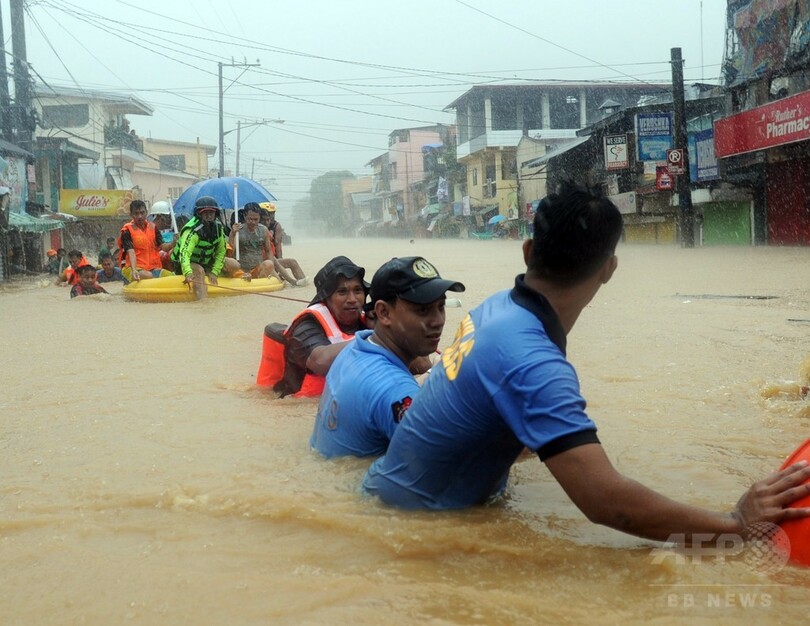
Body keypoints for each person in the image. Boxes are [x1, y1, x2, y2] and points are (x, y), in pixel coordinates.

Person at [363, 182, 810, 544]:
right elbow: (605, 504)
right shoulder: (530, 358)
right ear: (610, 268)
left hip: (385, 499)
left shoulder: (497, 309)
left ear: (527, 252)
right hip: (414, 529)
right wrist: (735, 523)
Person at [310, 256, 465, 459]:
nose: (438, 321)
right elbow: (453, 467)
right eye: (423, 310)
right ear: (383, 312)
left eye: (441, 307)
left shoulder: (355, 348)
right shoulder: (395, 391)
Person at [256, 255, 368, 397]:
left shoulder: (371, 320)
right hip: (296, 407)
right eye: (342, 292)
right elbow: (320, 362)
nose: (352, 299)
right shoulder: (307, 326)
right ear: (326, 297)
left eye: (358, 291)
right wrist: (375, 339)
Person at [170, 196, 240, 300]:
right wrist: (188, 272)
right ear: (199, 214)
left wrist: (214, 272)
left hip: (205, 261)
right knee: (199, 271)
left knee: (235, 265)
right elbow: (184, 254)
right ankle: (203, 303)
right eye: (205, 213)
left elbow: (221, 252)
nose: (209, 216)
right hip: (184, 264)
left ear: (215, 214)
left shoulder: (218, 229)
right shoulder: (192, 230)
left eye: (211, 212)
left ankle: (222, 281)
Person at [229, 203, 304, 286]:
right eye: (250, 219)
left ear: (259, 218)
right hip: (242, 270)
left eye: (256, 219)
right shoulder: (237, 231)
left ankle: (293, 282)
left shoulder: (263, 230)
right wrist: (232, 234)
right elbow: (231, 252)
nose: (253, 222)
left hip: (258, 269)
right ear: (244, 216)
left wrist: (272, 269)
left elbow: (268, 251)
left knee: (269, 263)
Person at [118, 200, 173, 283]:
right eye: (136, 213)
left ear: (146, 213)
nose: (140, 216)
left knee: (172, 276)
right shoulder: (127, 230)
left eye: (142, 213)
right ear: (131, 215)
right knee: (148, 276)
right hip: (133, 268)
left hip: (154, 269)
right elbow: (131, 251)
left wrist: (173, 243)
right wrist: (134, 270)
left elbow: (163, 247)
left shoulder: (153, 228)